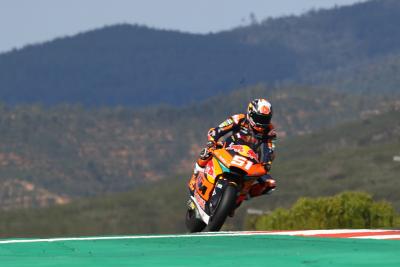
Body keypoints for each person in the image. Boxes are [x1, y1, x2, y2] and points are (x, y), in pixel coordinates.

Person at [188, 98, 277, 213]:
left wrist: (267, 162)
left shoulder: (269, 131)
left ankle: (243, 196)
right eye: (259, 118)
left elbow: (269, 149)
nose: (262, 123)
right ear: (250, 113)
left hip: (250, 160)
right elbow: (218, 130)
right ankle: (195, 175)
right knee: (207, 151)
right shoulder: (239, 119)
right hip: (228, 149)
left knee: (270, 184)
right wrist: (212, 140)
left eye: (265, 119)